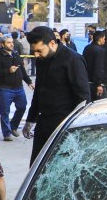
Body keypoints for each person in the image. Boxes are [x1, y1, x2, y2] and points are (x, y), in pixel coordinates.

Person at [22, 25, 89, 159]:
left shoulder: (72, 60)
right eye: (34, 51)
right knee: (37, 167)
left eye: (39, 50)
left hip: (64, 125)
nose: (36, 55)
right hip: (43, 123)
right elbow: (39, 91)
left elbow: (83, 98)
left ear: (52, 43)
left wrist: (76, 127)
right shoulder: (42, 60)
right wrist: (30, 119)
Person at [0, 38, 28, 141]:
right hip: (5, 88)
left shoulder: (15, 53)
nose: (11, 44)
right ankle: (6, 133)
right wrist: (8, 70)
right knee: (5, 111)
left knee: (22, 107)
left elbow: (22, 69)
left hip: (19, 87)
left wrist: (28, 82)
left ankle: (13, 126)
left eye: (12, 42)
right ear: (3, 44)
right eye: (8, 42)